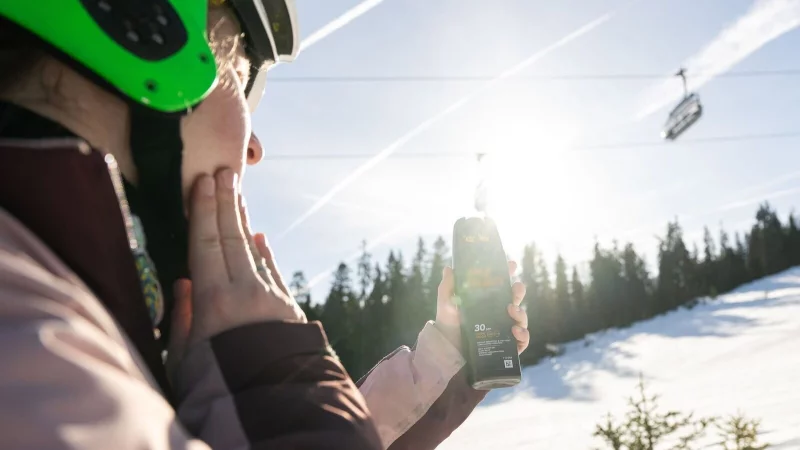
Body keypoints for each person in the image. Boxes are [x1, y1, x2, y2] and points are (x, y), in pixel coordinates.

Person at [0, 1, 529, 449]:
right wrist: (267, 379)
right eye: (238, 77)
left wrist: (446, 359)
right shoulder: (30, 339)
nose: (254, 148)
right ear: (138, 33)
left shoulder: (62, 328)